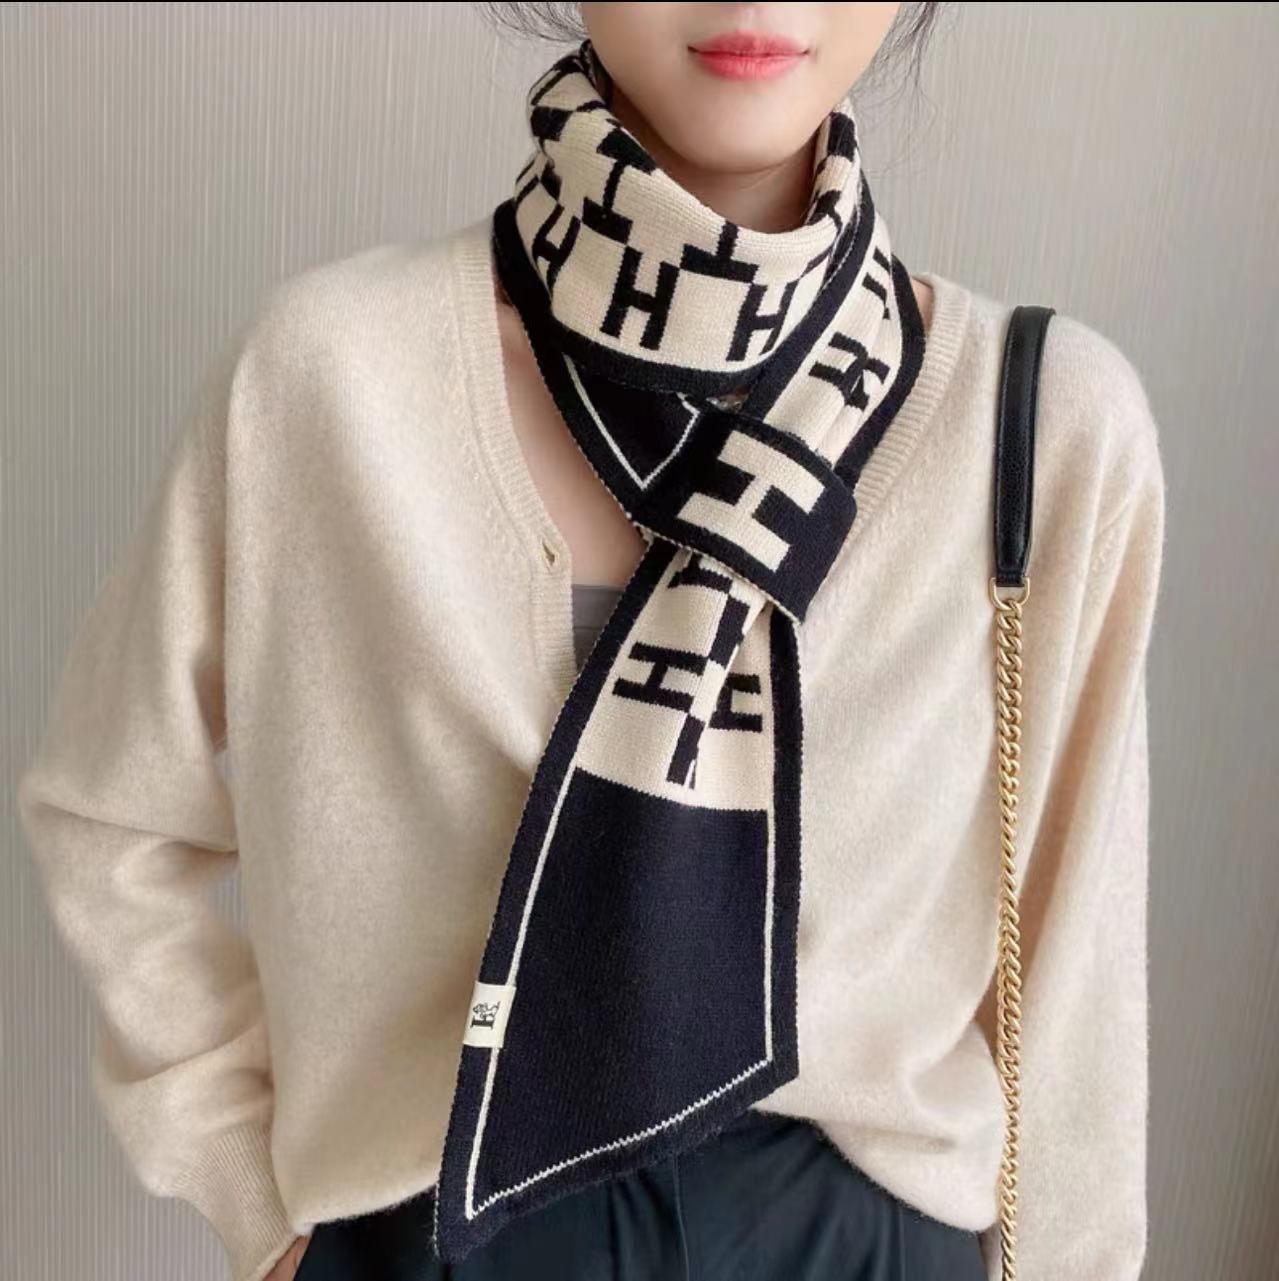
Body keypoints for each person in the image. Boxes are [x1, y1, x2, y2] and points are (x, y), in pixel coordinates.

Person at [16, 4, 1166, 1281]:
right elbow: (109, 813)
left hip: (863, 1244)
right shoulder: (328, 385)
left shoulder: (1041, 432)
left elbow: (1073, 984)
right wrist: (266, 1207)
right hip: (439, 1234)